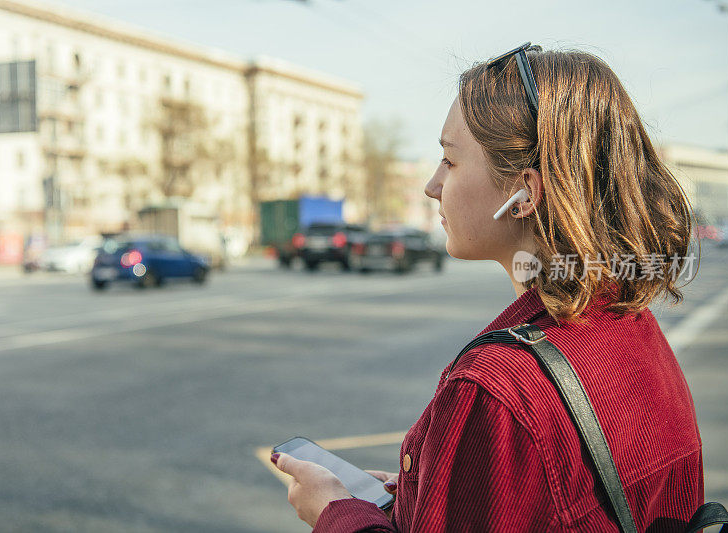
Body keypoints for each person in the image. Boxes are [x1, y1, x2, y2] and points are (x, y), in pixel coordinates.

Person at [271, 44, 702, 532]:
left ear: (525, 194)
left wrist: (336, 512)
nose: (432, 185)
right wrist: (428, 494)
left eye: (450, 162)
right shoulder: (631, 325)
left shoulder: (496, 388)